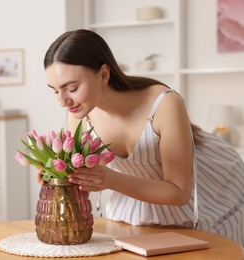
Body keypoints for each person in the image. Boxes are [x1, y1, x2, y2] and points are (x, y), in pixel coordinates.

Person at [39, 28, 244, 246]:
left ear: (104, 75)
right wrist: (55, 174)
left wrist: (110, 179)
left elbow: (179, 192)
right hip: (142, 203)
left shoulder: (165, 104)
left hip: (211, 192)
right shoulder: (81, 117)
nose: (62, 101)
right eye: (55, 91)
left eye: (71, 88)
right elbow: (80, 178)